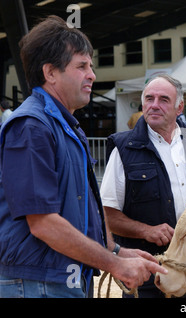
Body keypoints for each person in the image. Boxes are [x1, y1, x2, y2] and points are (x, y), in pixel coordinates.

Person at [0, 16, 166, 298]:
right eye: (82, 66)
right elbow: (43, 222)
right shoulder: (31, 127)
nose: (92, 75)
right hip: (37, 284)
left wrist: (116, 250)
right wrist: (114, 264)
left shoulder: (64, 126)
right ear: (50, 72)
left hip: (59, 280)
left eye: (91, 66)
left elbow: (80, 208)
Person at [100, 73, 186, 298]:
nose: (154, 105)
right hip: (148, 275)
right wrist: (146, 230)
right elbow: (107, 214)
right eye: (149, 99)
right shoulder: (124, 149)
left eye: (163, 99)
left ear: (179, 107)